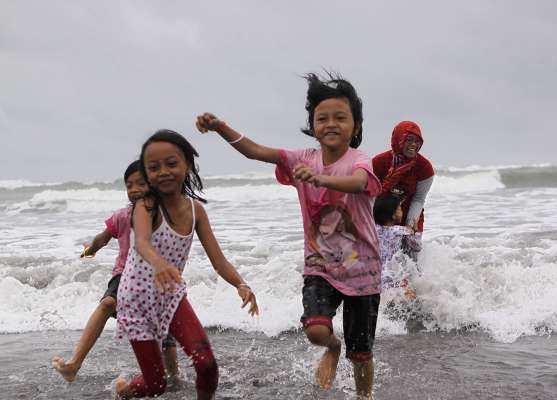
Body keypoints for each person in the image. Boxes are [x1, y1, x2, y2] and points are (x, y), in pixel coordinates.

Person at [196, 72, 382, 399]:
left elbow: (357, 182)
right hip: (320, 266)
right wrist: (220, 127)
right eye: (322, 118)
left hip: (362, 271)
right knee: (315, 329)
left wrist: (323, 181)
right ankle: (332, 347)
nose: (331, 124)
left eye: (341, 117)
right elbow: (255, 151)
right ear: (312, 125)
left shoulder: (359, 161)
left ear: (355, 125)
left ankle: (364, 396)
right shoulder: (301, 159)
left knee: (362, 353)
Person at [114, 130, 258, 400]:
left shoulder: (196, 211)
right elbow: (142, 242)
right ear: (146, 173)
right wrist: (159, 264)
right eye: (153, 167)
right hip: (136, 299)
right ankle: (124, 391)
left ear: (187, 165)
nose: (163, 172)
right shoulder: (146, 206)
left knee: (207, 365)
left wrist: (241, 284)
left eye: (172, 163)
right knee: (156, 385)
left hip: (170, 294)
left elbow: (219, 260)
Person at [51, 161, 179, 382]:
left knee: (164, 333)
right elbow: (103, 238)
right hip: (125, 275)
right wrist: (88, 251)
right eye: (129, 186)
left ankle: (173, 376)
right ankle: (74, 364)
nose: (134, 190)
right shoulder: (122, 216)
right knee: (108, 304)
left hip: (157, 282)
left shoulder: (164, 215)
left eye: (140, 183)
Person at [372, 121, 434, 260]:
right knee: (377, 256)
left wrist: (410, 226)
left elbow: (418, 199)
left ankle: (414, 281)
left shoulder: (425, 168)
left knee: (410, 256)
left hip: (410, 215)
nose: (414, 144)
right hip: (382, 217)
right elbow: (368, 195)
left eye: (418, 141)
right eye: (409, 139)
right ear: (398, 139)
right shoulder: (378, 162)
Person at [373, 191, 420, 299]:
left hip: (374, 277)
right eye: (400, 208)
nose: (402, 211)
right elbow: (417, 247)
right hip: (393, 276)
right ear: (393, 215)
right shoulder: (399, 230)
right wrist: (414, 232)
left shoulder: (372, 228)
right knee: (412, 298)